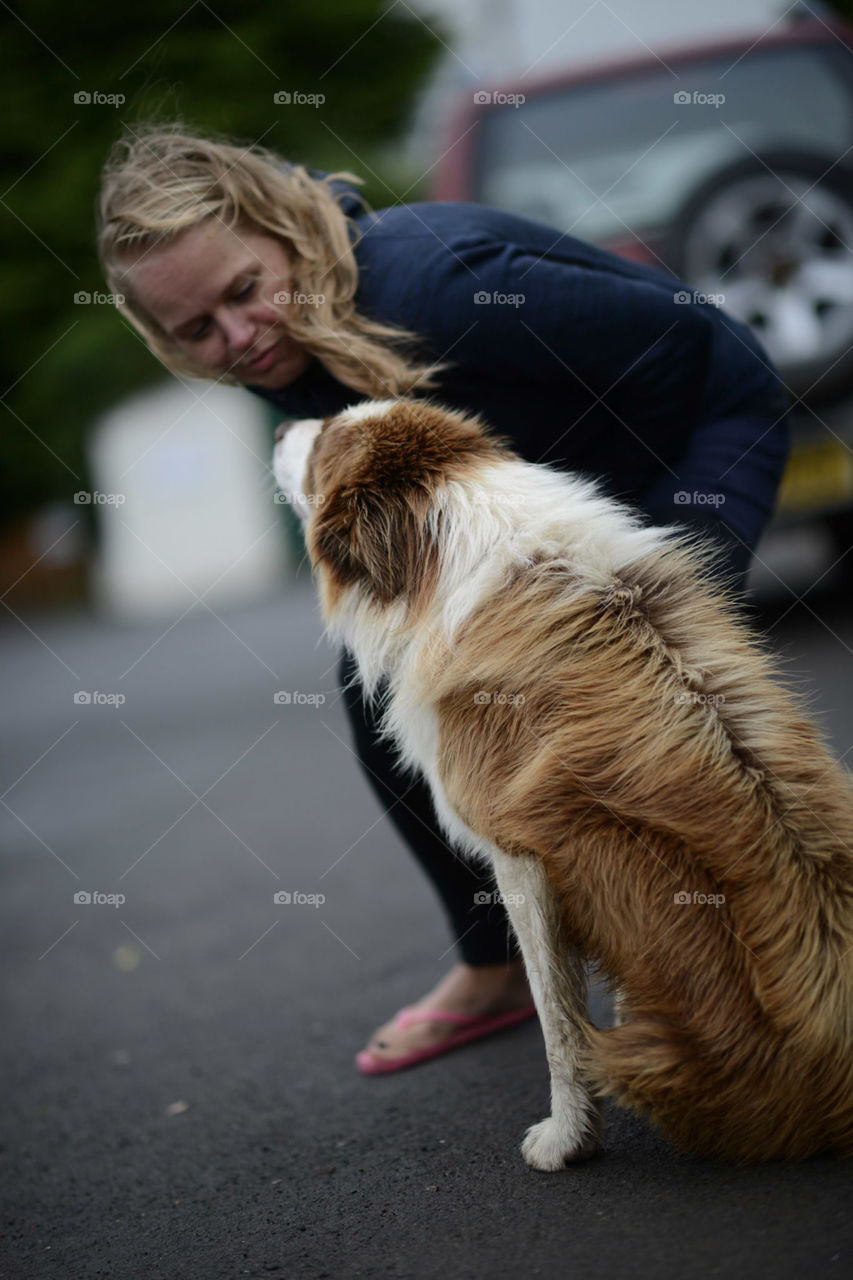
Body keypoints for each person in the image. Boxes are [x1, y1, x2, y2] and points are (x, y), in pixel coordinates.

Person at [97, 124, 791, 1074]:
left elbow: (689, 343)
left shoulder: (439, 288)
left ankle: (767, 941)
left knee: (638, 699)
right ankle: (497, 966)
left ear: (281, 234)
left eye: (244, 293)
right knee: (376, 682)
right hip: (549, 491)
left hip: (696, 434)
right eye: (195, 332)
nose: (236, 338)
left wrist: (580, 542)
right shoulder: (280, 344)